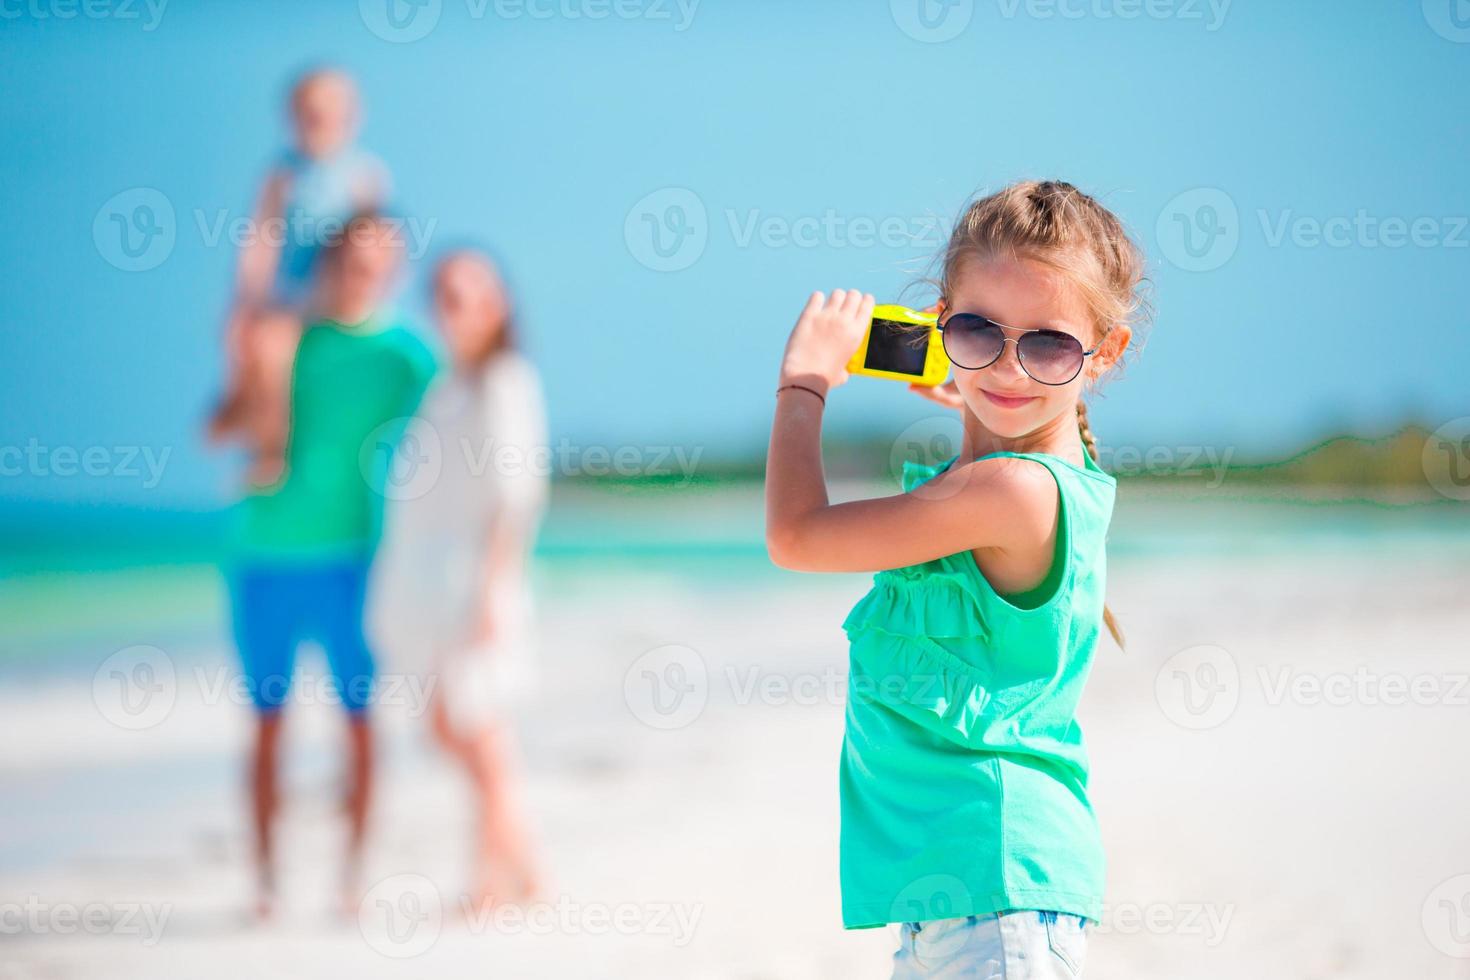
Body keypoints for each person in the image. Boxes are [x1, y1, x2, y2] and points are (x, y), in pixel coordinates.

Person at [764, 180, 1150, 978]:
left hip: (997, 890)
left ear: (1102, 355)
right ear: (942, 323)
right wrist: (972, 398)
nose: (1010, 366)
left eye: (1046, 345)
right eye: (980, 332)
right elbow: (992, 439)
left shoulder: (1011, 493)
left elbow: (797, 535)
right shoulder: (999, 478)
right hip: (966, 896)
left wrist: (804, 384)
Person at [225, 211, 437, 920]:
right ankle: (265, 878)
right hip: (264, 556)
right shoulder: (286, 343)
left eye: (381, 262)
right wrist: (255, 410)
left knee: (360, 721)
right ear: (329, 263)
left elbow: (462, 429)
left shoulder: (409, 358)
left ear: (397, 270)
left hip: (356, 560)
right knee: (267, 722)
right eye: (353, 259)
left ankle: (354, 874)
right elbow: (216, 424)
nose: (364, 273)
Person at [370, 250, 549, 911]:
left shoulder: (505, 380)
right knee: (450, 728)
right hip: (433, 585)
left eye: (468, 295)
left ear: (498, 304)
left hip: (475, 582)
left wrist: (491, 592)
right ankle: (521, 869)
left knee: (479, 732)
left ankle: (493, 882)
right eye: (443, 295)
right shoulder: (447, 386)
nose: (455, 308)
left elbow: (516, 495)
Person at [208, 67, 389, 487]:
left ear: (351, 117)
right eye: (308, 114)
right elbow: (260, 239)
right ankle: (242, 407)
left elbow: (380, 243)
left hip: (334, 289)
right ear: (292, 118)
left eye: (328, 114)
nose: (318, 124)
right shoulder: (281, 174)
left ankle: (269, 447)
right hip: (290, 291)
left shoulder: (364, 174)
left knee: (274, 347)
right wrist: (246, 297)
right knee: (244, 334)